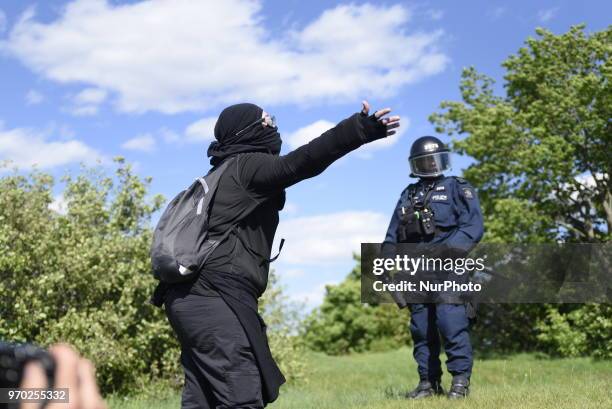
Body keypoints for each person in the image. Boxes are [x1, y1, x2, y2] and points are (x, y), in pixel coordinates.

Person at [154, 101, 400, 409]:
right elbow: (301, 161)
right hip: (214, 296)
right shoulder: (246, 166)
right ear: (248, 129)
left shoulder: (222, 172)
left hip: (189, 299)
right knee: (241, 395)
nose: (273, 126)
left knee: (202, 397)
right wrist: (359, 129)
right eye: (267, 120)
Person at [381, 136, 484, 399]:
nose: (429, 164)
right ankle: (428, 384)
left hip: (449, 269)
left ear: (444, 160)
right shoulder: (408, 194)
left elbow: (473, 227)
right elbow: (393, 235)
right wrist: (385, 262)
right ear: (415, 164)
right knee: (421, 330)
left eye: (434, 159)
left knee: (451, 323)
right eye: (424, 161)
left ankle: (460, 383)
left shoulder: (457, 188)